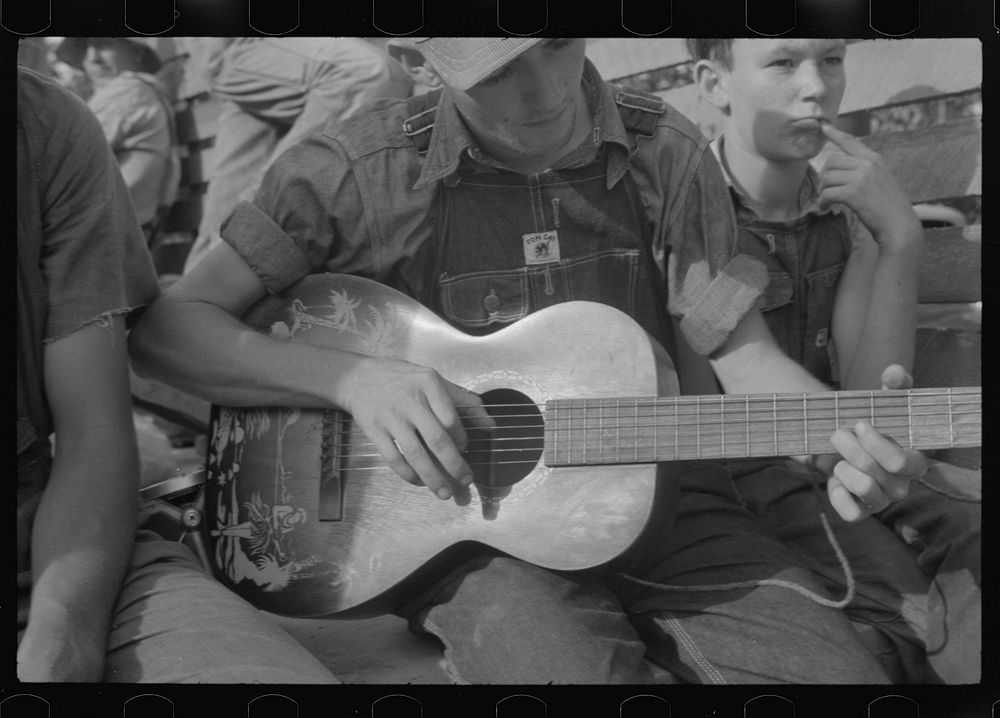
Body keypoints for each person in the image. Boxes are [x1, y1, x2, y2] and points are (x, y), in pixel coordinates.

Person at [129, 38, 933, 684]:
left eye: (556, 44)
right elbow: (169, 330)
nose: (548, 92)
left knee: (839, 671)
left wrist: (846, 437)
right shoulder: (351, 173)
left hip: (667, 504)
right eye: (500, 70)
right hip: (472, 542)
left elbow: (746, 357)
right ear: (421, 62)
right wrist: (354, 380)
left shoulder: (666, 152)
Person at [16, 66, 337, 684]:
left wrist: (64, 637)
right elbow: (171, 334)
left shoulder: (47, 125)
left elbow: (96, 431)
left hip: (52, 549)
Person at [686, 38, 981, 683]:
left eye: (832, 60)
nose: (816, 86)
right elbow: (744, 378)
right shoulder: (687, 213)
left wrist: (897, 238)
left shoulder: (841, 214)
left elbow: (868, 390)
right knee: (908, 611)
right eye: (783, 63)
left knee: (975, 525)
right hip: (743, 480)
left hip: (847, 452)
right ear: (714, 84)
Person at [180, 37, 413, 272]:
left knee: (233, 184)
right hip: (239, 41)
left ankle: (195, 292)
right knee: (368, 72)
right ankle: (249, 228)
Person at [55, 37, 181, 241]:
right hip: (111, 233)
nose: (92, 58)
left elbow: (60, 158)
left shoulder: (128, 90)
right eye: (87, 47)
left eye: (104, 45)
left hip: (101, 237)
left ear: (137, 52)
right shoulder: (140, 90)